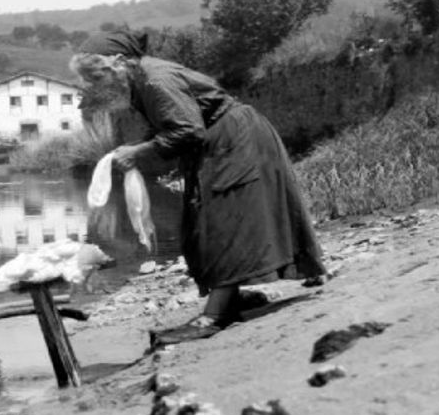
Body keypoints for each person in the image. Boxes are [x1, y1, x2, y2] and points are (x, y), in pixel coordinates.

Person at [70, 30, 327, 344]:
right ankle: (234, 296)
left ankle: (216, 314)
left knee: (217, 223)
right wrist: (141, 149)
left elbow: (189, 130)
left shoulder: (155, 80)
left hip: (234, 139)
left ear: (120, 62)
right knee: (205, 223)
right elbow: (171, 124)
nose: (98, 85)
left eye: (99, 76)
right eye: (92, 80)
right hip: (226, 138)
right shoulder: (141, 80)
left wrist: (139, 152)